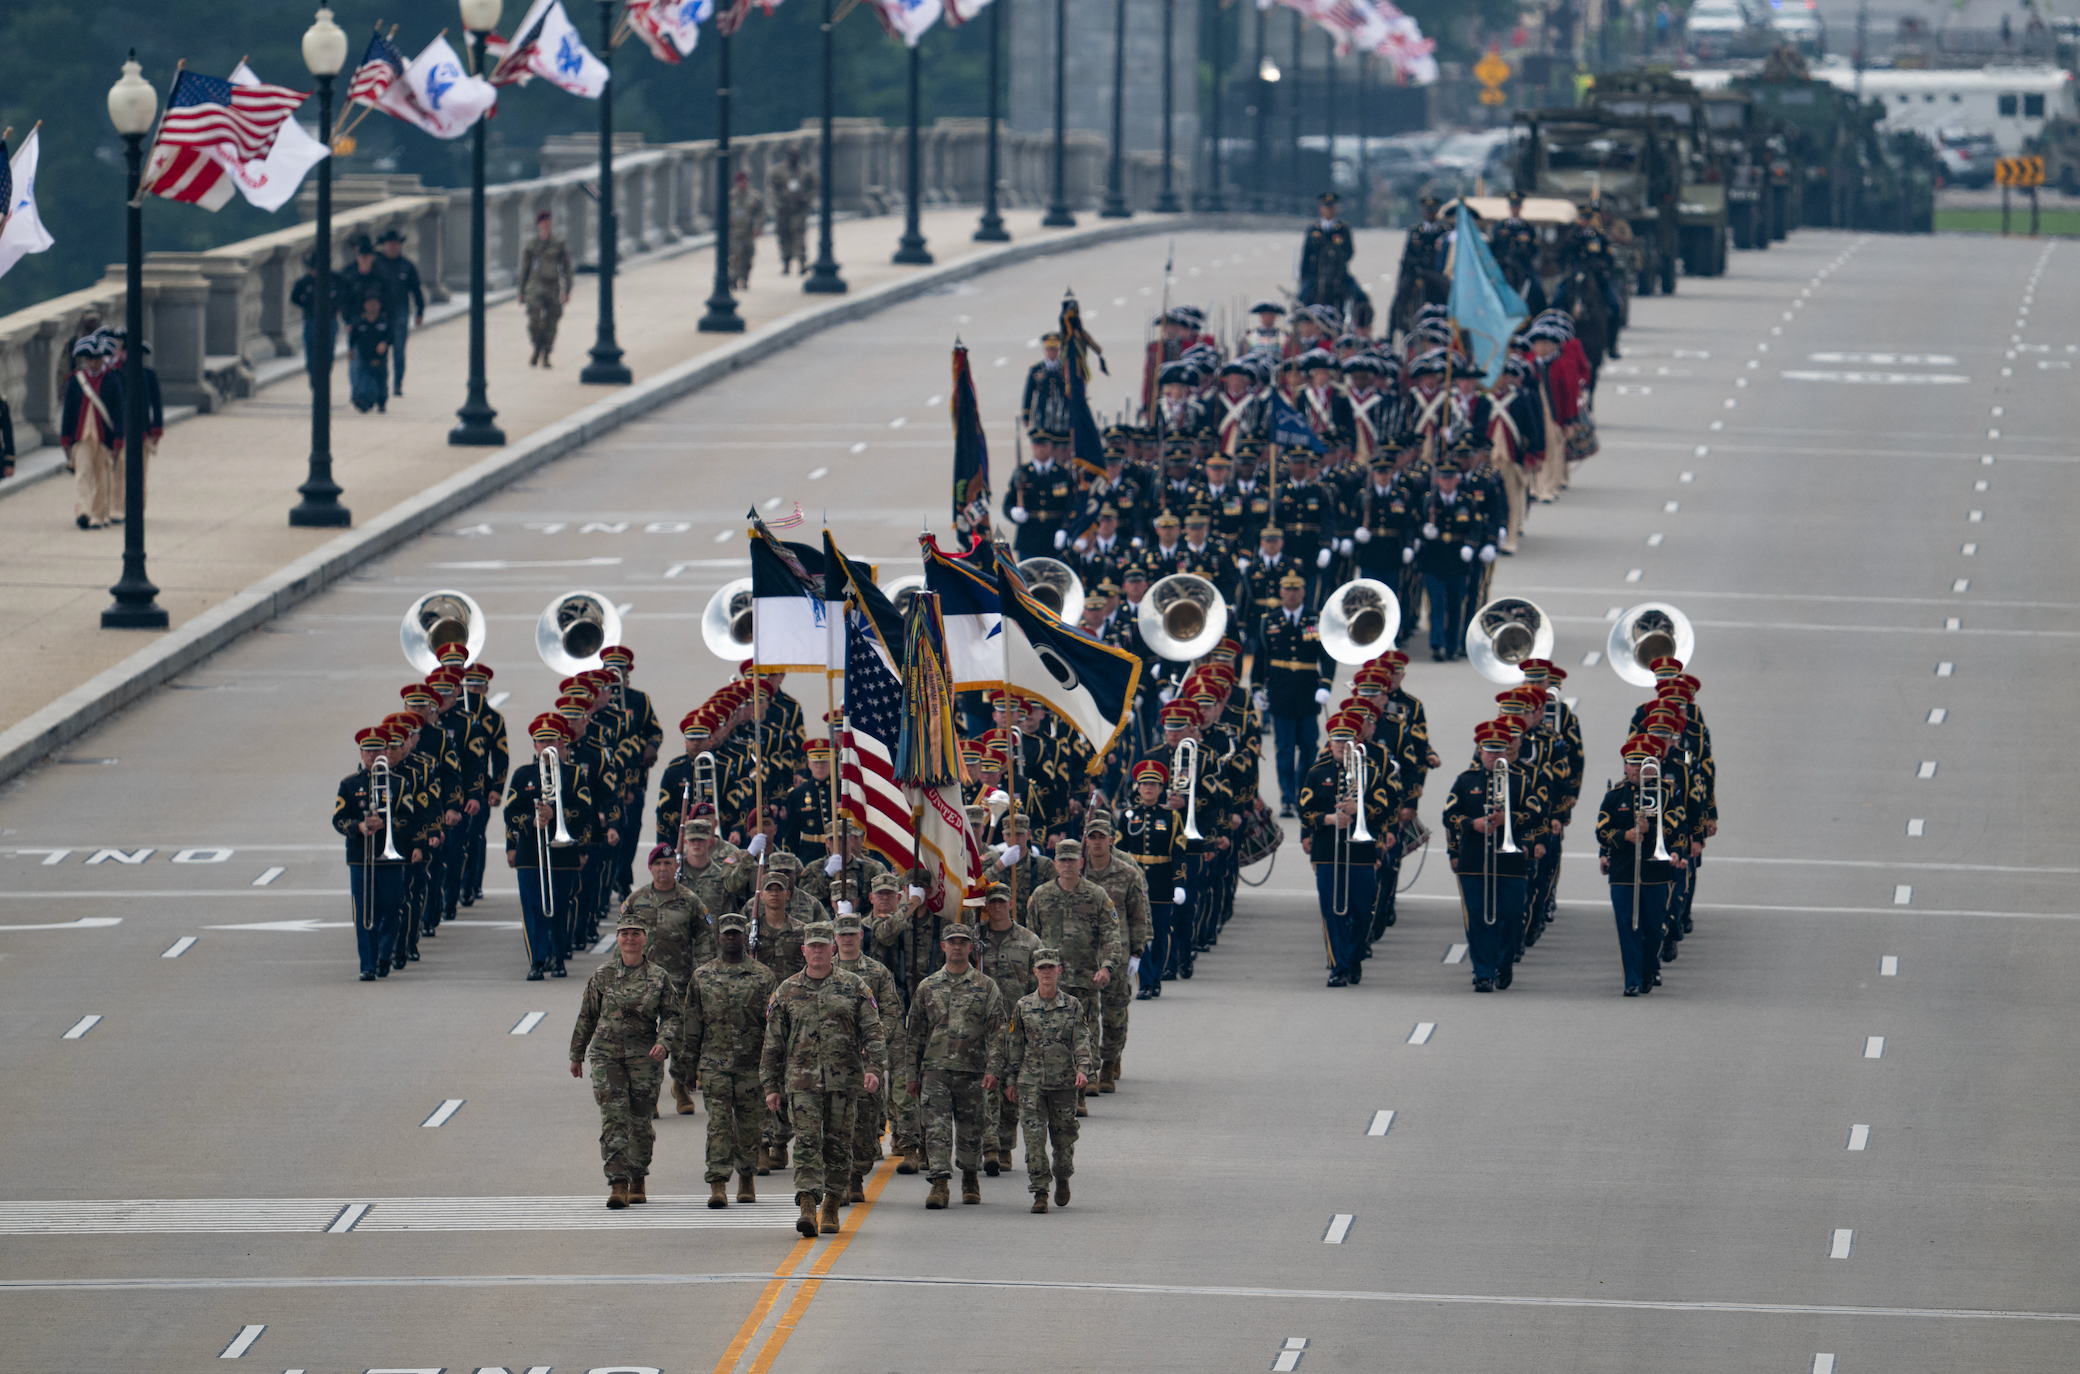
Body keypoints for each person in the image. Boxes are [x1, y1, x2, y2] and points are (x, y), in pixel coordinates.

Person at [761, 921, 887, 1239]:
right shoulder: (786, 991)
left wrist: (874, 1069)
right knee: (806, 1142)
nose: (817, 951)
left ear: (832, 949)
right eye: (811, 946)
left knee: (838, 1145)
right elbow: (773, 1042)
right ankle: (807, 1204)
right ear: (803, 951)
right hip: (801, 1083)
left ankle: (831, 1202)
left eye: (822, 946)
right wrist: (771, 1086)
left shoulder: (855, 987)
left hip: (844, 1081)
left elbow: (873, 1032)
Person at [568, 918, 679, 1209]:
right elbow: (587, 1016)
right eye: (625, 934)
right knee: (613, 1119)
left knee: (640, 1122)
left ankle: (637, 1177)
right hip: (607, 1056)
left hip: (645, 1057)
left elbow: (672, 1015)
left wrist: (664, 1042)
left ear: (645, 939)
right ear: (618, 939)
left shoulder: (658, 977)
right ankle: (618, 1183)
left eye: (636, 934)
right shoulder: (602, 975)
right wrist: (576, 1054)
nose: (630, 939)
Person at [905, 919, 1009, 1209]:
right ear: (943, 947)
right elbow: (915, 1034)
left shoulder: (986, 986)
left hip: (973, 1070)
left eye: (963, 942)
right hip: (935, 1070)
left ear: (971, 947)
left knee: (971, 1130)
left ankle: (970, 1176)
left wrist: (994, 1069)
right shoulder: (927, 987)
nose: (957, 947)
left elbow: (998, 1032)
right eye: (952, 942)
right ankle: (939, 1184)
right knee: (936, 1128)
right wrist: (911, 1074)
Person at [681, 911, 778, 1207]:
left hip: (752, 1066)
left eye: (737, 933)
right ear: (719, 937)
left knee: (749, 1127)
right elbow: (693, 1023)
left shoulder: (764, 976)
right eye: (727, 933)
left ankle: (746, 1177)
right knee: (719, 1125)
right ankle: (718, 1183)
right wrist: (688, 1066)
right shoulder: (702, 976)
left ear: (744, 937)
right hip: (715, 1065)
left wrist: (774, 1068)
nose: (732, 938)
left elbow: (773, 1026)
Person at [1442, 723, 1545, 992]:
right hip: (1474, 860)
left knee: (1511, 917)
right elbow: (1448, 816)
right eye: (1488, 751)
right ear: (1479, 751)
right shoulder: (1466, 780)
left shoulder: (1521, 781)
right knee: (1477, 917)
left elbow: (1536, 813)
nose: (1493, 756)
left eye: (1499, 750)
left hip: (1511, 861)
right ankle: (1483, 972)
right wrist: (1471, 823)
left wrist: (1509, 818)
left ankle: (1504, 962)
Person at [1023, 840, 1121, 1117]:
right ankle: (1049, 1093)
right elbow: (1031, 936)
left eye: (1072, 860)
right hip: (1049, 981)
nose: (1067, 865)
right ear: (1055, 863)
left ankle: (1079, 1094)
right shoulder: (1041, 896)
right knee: (1048, 1039)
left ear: (1081, 862)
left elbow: (1111, 936)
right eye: (1062, 860)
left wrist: (1107, 967)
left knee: (1084, 1038)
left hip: (1084, 980)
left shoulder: (1097, 895)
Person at [621, 842, 713, 1114]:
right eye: (658, 864)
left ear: (675, 868)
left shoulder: (690, 900)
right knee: (646, 1038)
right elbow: (622, 940)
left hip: (680, 981)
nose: (663, 868)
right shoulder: (636, 900)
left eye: (668, 864)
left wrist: (703, 973)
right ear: (650, 868)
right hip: (643, 982)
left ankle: (681, 1085)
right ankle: (649, 1096)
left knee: (683, 1038)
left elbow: (706, 936)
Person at [1002, 947, 1093, 1214]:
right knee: (1034, 1139)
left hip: (1064, 1084)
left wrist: (1083, 1069)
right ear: (1034, 972)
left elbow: (1081, 1040)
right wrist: (1010, 1080)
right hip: (1031, 1084)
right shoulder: (1023, 1007)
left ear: (1059, 971)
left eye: (1050, 967)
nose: (1046, 972)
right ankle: (1040, 1191)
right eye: (1041, 968)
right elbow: (1015, 1045)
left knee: (1063, 1141)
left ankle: (1062, 1176)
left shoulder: (1073, 1005)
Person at [1597, 736, 1688, 997]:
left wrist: (1674, 849)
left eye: (1642, 764)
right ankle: (1632, 979)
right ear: (1625, 766)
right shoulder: (1615, 796)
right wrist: (1624, 836)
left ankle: (1649, 967)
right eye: (1631, 764)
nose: (1636, 769)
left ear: (1654, 765)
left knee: (1653, 926)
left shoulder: (1667, 794)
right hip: (1624, 871)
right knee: (1627, 925)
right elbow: (1601, 831)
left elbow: (1679, 830)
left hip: (1656, 872)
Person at [507, 715, 593, 980]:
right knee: (532, 907)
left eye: (552, 740)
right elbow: (510, 812)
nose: (547, 746)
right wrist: (532, 821)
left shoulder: (575, 774)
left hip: (562, 849)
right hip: (530, 851)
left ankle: (559, 956)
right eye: (541, 741)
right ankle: (537, 960)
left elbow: (585, 811)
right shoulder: (523, 774)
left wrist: (555, 813)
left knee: (559, 906)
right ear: (534, 745)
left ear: (562, 742)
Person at [835, 912, 908, 1203]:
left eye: (852, 933)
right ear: (835, 938)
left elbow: (891, 1011)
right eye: (842, 934)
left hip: (867, 1059)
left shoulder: (878, 972)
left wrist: (873, 1040)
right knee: (835, 1123)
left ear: (861, 936)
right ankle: (839, 1181)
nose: (848, 938)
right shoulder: (823, 970)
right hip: (835, 1059)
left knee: (865, 1125)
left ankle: (857, 1174)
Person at [1256, 571, 1335, 817]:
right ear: (1280, 593)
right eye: (1287, 589)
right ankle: (1288, 798)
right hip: (1280, 692)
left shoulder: (1316, 619)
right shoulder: (1269, 620)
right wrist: (1257, 687)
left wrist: (1326, 685)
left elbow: (1327, 655)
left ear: (1303, 592)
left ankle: (1305, 795)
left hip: (1308, 691)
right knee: (1285, 750)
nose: (1291, 594)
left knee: (1309, 747)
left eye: (1296, 589)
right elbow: (1261, 657)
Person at [336, 725, 411, 980]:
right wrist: (358, 826)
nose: (373, 755)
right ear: (361, 753)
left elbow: (410, 817)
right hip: (360, 856)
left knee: (391, 909)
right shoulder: (349, 784)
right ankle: (367, 965)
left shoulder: (400, 783)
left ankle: (383, 955)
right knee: (365, 911)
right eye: (368, 750)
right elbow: (338, 818)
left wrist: (387, 824)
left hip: (390, 857)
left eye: (378, 749)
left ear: (386, 752)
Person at [59, 336, 120, 530]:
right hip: (81, 436)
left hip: (104, 437)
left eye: (97, 358)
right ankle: (83, 512)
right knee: (82, 474)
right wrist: (66, 440)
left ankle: (98, 515)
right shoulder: (76, 380)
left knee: (102, 477)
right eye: (90, 359)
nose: (93, 362)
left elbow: (119, 413)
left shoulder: (113, 379)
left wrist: (118, 440)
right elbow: (68, 411)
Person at [373, 228, 426, 395]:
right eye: (389, 244)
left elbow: (416, 291)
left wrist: (419, 312)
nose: (392, 247)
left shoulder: (407, 266)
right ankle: (380, 383)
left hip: (400, 311)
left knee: (398, 350)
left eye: (395, 244)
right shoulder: (377, 264)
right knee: (379, 349)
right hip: (380, 313)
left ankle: (397, 384)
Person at [520, 211, 574, 367]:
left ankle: (546, 353)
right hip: (535, 286)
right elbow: (525, 268)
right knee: (534, 321)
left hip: (553, 286)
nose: (547, 226)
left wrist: (567, 289)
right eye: (544, 223)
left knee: (552, 322)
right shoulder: (531, 245)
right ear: (539, 224)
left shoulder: (559, 243)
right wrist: (521, 291)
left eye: (549, 223)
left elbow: (567, 267)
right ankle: (537, 347)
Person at [291, 252, 347, 391]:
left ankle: (324, 379)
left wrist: (338, 306)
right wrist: (307, 306)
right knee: (311, 350)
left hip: (330, 320)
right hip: (311, 320)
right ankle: (314, 378)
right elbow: (294, 297)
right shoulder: (306, 281)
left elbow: (347, 292)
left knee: (328, 350)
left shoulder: (336, 279)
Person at [1299, 191, 1358, 315]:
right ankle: (1299, 326)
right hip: (1315, 274)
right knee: (1301, 299)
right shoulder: (1313, 229)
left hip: (1339, 273)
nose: (1329, 210)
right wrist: (1303, 277)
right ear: (1321, 209)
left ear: (1336, 209)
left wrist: (1338, 261)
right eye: (1326, 207)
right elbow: (1306, 255)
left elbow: (1350, 251)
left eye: (1331, 207)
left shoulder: (1343, 229)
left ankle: (1360, 327)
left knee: (1360, 296)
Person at [767, 148, 816, 276]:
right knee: (784, 235)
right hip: (783, 209)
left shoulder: (806, 172)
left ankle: (801, 262)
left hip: (798, 210)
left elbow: (814, 188)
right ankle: (786, 263)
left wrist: (805, 199)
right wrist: (778, 204)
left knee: (799, 234)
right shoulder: (778, 171)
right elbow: (772, 189)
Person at [346, 292, 390, 414]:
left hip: (380, 358)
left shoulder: (384, 321)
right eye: (369, 304)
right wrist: (350, 350)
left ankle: (382, 402)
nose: (372, 307)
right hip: (364, 357)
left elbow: (390, 335)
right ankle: (364, 401)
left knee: (381, 381)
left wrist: (385, 343)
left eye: (374, 304)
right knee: (365, 380)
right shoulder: (360, 322)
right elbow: (353, 337)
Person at [729, 170, 766, 292]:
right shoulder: (731, 197)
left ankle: (744, 278)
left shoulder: (755, 197)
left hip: (748, 232)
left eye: (745, 182)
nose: (743, 185)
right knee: (735, 257)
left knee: (747, 256)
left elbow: (761, 213)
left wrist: (758, 226)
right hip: (734, 232)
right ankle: (733, 278)